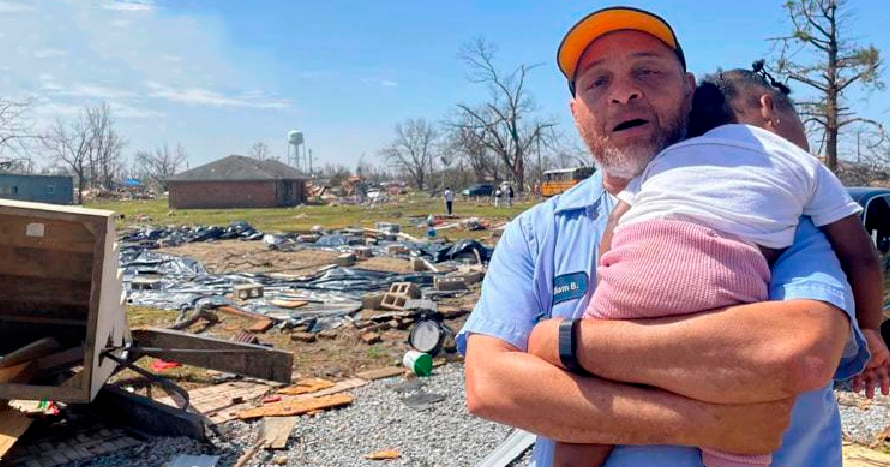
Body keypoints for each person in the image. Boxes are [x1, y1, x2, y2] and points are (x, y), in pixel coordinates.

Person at [459, 6, 872, 467]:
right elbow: (491, 386)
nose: (624, 92)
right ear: (576, 112)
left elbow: (802, 351)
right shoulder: (537, 233)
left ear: (689, 90)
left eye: (648, 71)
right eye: (597, 82)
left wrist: (566, 346)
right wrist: (707, 422)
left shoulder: (768, 203)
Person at [549, 68, 886, 467]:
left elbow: (615, 223)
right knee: (738, 407)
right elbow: (861, 256)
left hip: (628, 278)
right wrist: (869, 330)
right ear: (769, 108)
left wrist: (612, 278)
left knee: (592, 400)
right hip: (719, 287)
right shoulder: (799, 162)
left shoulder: (668, 158)